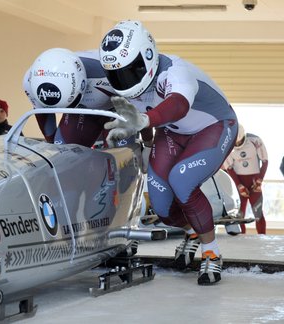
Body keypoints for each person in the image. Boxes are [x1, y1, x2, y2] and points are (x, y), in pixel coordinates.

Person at [99, 20, 238, 285]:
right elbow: (141, 114)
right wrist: (147, 141)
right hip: (171, 130)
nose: (124, 81)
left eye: (131, 72)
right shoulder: (131, 85)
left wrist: (147, 121)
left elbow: (179, 104)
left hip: (214, 125)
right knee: (162, 206)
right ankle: (194, 232)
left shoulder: (175, 70)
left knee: (181, 181)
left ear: (148, 55)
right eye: (117, 75)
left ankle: (212, 253)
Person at [23, 48, 146, 148]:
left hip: (119, 110)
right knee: (62, 155)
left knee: (118, 158)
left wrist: (148, 140)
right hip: (80, 113)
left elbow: (141, 106)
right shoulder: (30, 82)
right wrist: (52, 147)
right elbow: (43, 114)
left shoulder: (112, 73)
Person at [222, 124, 268, 234]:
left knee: (258, 213)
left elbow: (265, 161)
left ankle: (262, 237)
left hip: (254, 183)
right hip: (239, 183)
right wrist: (239, 185)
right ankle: (240, 240)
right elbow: (229, 167)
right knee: (239, 215)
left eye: (240, 141)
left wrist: (259, 180)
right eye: (236, 142)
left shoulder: (255, 140)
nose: (238, 144)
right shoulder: (227, 143)